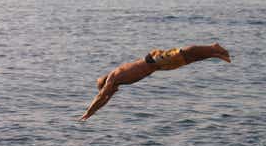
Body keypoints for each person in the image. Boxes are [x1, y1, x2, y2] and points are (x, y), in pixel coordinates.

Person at [79, 43, 231, 121]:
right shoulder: (116, 82)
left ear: (106, 84)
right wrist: (93, 114)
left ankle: (212, 47)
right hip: (157, 66)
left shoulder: (113, 78)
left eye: (108, 90)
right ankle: (214, 54)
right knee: (187, 60)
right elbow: (105, 99)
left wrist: (88, 111)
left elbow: (101, 98)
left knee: (184, 53)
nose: (111, 93)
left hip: (152, 60)